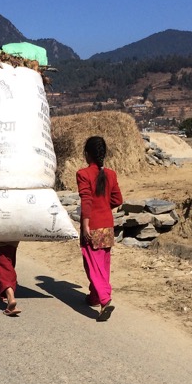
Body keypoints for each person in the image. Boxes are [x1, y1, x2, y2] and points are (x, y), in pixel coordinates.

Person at [76, 136, 123, 322]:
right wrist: (104, 206)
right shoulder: (111, 174)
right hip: (107, 224)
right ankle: (94, 297)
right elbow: (118, 200)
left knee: (92, 265)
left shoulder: (83, 174)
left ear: (87, 154)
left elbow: (86, 201)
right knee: (103, 263)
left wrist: (86, 223)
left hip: (92, 225)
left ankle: (104, 299)